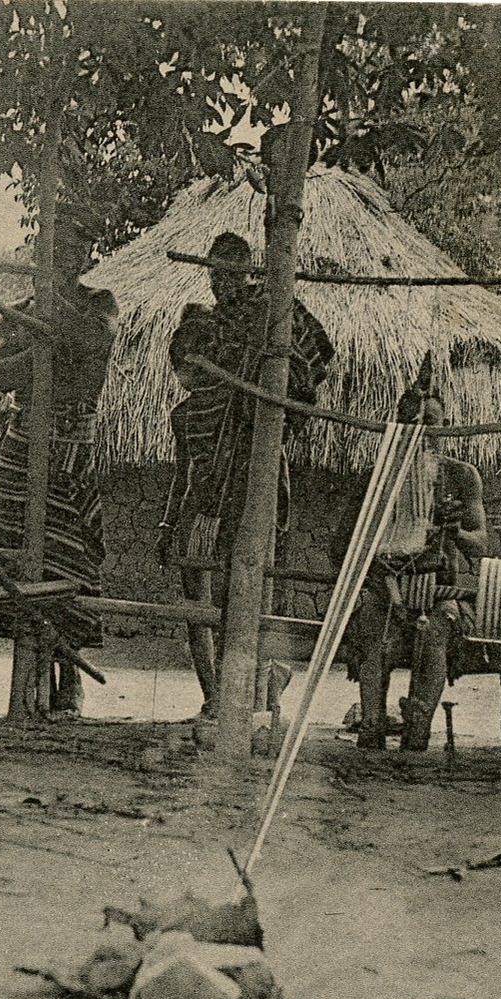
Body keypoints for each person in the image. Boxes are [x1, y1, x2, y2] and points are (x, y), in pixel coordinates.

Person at [160, 231, 334, 720]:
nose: (222, 282)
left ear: (249, 268)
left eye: (231, 271)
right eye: (215, 273)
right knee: (200, 590)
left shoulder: (273, 312)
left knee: (256, 580)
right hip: (210, 483)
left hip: (256, 466)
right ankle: (217, 694)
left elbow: (315, 358)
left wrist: (269, 372)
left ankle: (257, 687)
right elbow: (184, 463)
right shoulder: (207, 333)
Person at [0, 206, 117, 718]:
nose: (63, 256)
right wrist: (43, 346)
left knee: (71, 552)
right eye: (54, 246)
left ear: (85, 256)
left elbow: (93, 350)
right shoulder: (19, 309)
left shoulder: (98, 303)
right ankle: (32, 673)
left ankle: (70, 675)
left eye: (73, 248)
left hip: (69, 440)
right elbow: (4, 374)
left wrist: (50, 330)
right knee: (24, 551)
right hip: (24, 440)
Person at [335, 367, 488, 752]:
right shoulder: (378, 479)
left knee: (436, 632)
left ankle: (418, 726)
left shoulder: (461, 477)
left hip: (440, 590)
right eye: (409, 423)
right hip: (383, 587)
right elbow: (342, 546)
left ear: (446, 426)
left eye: (430, 423)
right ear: (396, 426)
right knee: (372, 627)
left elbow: (481, 544)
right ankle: (371, 725)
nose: (420, 432)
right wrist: (377, 556)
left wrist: (452, 531)